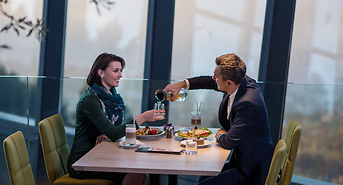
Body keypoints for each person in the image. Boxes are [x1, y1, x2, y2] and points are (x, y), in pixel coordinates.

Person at [163, 53, 274, 185]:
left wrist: (220, 135)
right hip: (242, 160)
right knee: (204, 178)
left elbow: (228, 142)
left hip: (252, 171)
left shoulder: (248, 103)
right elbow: (209, 81)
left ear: (228, 82)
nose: (213, 78)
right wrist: (182, 84)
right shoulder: (240, 81)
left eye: (216, 76)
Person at [67, 53, 165, 185]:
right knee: (136, 171)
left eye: (120, 70)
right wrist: (142, 118)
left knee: (142, 173)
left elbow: (112, 130)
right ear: (101, 72)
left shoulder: (110, 97)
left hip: (99, 154)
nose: (120, 75)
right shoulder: (90, 99)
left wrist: (105, 132)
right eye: (115, 71)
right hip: (83, 161)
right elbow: (113, 133)